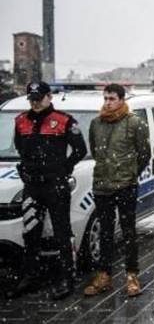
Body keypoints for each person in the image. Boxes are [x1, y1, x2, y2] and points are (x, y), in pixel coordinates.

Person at [7, 81, 87, 300]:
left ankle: (67, 278)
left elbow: (81, 150)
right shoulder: (21, 121)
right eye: (31, 98)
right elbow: (20, 148)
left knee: (62, 232)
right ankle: (31, 276)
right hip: (32, 187)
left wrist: (64, 168)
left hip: (56, 186)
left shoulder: (64, 120)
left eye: (39, 98)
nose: (35, 102)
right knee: (31, 232)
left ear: (48, 97)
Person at [83, 84, 151, 297]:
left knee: (129, 231)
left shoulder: (135, 123)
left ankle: (132, 275)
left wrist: (129, 174)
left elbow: (144, 154)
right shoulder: (96, 123)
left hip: (125, 186)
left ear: (122, 99)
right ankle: (104, 275)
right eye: (105, 98)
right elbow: (95, 151)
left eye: (112, 98)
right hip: (102, 186)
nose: (108, 102)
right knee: (105, 232)